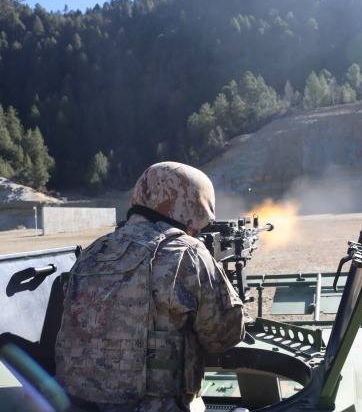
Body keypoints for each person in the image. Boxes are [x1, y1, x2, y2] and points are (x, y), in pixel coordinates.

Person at [54, 161, 245, 412]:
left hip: (78, 405)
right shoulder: (188, 253)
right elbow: (223, 338)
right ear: (190, 209)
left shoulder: (92, 251)